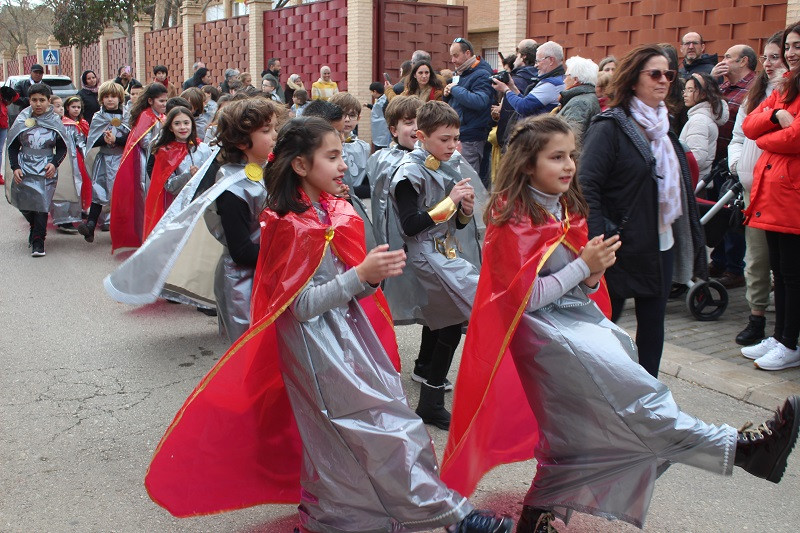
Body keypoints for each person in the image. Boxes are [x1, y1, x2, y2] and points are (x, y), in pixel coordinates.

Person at [143, 115, 514, 533]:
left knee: (365, 429)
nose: (343, 166)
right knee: (379, 431)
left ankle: (342, 516)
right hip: (316, 346)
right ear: (301, 165)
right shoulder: (288, 223)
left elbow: (348, 286)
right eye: (332, 156)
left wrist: (369, 277)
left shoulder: (331, 210)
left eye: (342, 155)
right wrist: (361, 275)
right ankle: (453, 517)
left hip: (349, 336)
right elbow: (298, 307)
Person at [441, 114, 800, 533]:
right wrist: (583, 269)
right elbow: (524, 300)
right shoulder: (512, 219)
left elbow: (578, 288)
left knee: (570, 439)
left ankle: (535, 517)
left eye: (571, 155)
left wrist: (592, 274)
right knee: (640, 403)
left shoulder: (562, 209)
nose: (570, 165)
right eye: (556, 157)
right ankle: (743, 450)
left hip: (578, 328)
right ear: (526, 164)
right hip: (549, 342)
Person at [579, 44, 707, 378]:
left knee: (652, 322)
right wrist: (597, 240)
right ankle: (594, 390)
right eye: (655, 73)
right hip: (617, 244)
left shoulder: (665, 128)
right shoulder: (609, 126)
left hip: (659, 239)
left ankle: (649, 397)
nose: (664, 80)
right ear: (634, 79)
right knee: (604, 324)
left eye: (669, 74)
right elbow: (586, 185)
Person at [389, 100, 479, 429]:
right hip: (425, 257)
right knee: (455, 322)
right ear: (421, 136)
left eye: (456, 138)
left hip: (445, 252)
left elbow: (456, 225)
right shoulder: (408, 172)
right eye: (445, 139)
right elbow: (411, 225)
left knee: (447, 326)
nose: (453, 146)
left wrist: (465, 209)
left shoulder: (441, 165)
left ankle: (430, 396)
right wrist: (450, 202)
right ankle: (431, 399)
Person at [740, 22, 800, 371]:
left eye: (797, 46)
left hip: (791, 199)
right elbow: (750, 124)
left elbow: (794, 139)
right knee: (780, 270)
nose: (791, 53)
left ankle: (790, 341)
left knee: (792, 275)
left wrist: (767, 134)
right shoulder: (784, 88)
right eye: (788, 46)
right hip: (773, 196)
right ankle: (780, 337)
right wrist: (776, 117)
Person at [729, 32, 787, 347]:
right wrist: (738, 163)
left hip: (783, 192)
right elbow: (740, 135)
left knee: (784, 264)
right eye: (767, 56)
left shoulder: (791, 94)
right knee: (757, 258)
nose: (770, 62)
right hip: (753, 189)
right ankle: (757, 319)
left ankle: (785, 330)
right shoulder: (755, 94)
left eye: (776, 56)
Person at [6, 83, 72, 257]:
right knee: (24, 205)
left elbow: (62, 147)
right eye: (34, 100)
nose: (38, 104)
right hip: (24, 166)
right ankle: (34, 225)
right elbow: (12, 146)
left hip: (45, 168)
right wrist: (15, 167)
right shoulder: (22, 119)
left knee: (42, 204)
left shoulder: (54, 121)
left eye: (42, 100)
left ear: (48, 101)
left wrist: (54, 164)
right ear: (29, 101)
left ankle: (38, 241)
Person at [110, 82, 168, 251]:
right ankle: (145, 236)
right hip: (145, 162)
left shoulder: (161, 116)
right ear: (150, 101)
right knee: (145, 198)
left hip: (158, 160)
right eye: (161, 101)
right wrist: (164, 143)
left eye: (166, 101)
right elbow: (144, 142)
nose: (165, 105)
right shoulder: (146, 116)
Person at [143, 106, 213, 238]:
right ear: (170, 127)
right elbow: (169, 186)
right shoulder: (165, 152)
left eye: (186, 123)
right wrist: (189, 175)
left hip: (200, 206)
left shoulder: (204, 149)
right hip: (175, 207)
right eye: (177, 123)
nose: (182, 127)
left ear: (192, 124)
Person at [78, 81, 130, 243]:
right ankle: (90, 226)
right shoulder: (98, 117)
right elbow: (92, 139)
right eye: (106, 96)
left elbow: (132, 138)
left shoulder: (127, 116)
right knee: (98, 192)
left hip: (122, 160)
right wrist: (105, 140)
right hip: (104, 159)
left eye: (113, 96)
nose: (110, 100)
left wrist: (117, 139)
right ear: (101, 99)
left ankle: (122, 228)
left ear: (120, 98)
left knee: (122, 195)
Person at [443, 37, 494, 174]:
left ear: (467, 53)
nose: (453, 60)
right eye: (451, 56)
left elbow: (479, 101)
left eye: (456, 55)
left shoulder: (482, 74)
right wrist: (447, 94)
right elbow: (456, 103)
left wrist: (455, 89)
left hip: (471, 137)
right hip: (459, 134)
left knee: (468, 180)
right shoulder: (461, 73)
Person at [679, 73, 729, 182]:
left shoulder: (699, 120)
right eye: (685, 90)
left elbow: (697, 158)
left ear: (703, 94)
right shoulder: (701, 117)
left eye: (690, 90)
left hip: (693, 183)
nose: (685, 94)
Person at [53, 95, 92, 230]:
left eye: (78, 107)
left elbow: (80, 141)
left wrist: (87, 156)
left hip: (74, 159)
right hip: (60, 160)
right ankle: (62, 218)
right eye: (56, 106)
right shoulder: (55, 124)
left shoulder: (73, 125)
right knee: (62, 187)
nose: (60, 109)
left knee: (76, 185)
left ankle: (73, 214)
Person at [329, 92, 370, 197]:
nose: (347, 119)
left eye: (352, 115)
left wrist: (351, 193)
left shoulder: (363, 147)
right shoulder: (324, 145)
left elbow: (368, 186)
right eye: (342, 114)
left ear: (358, 118)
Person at [554, 55, 601, 139]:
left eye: (566, 76)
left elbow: (570, 137)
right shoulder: (586, 98)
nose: (564, 80)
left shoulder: (579, 103)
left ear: (575, 79)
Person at [366, 82, 391, 151]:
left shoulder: (382, 101)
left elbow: (379, 111)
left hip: (382, 132)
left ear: (375, 91)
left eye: (371, 92)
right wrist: (369, 105)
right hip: (381, 132)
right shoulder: (382, 100)